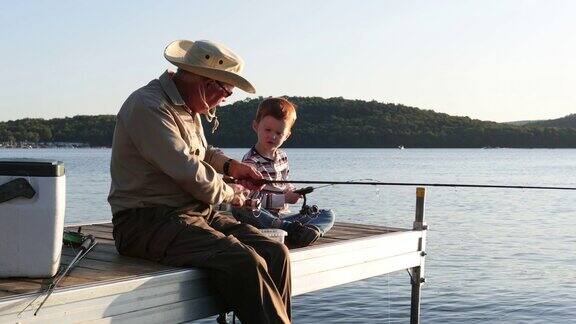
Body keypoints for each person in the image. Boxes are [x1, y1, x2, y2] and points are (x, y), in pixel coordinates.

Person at [108, 39, 291, 324]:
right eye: (226, 89)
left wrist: (232, 166)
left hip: (192, 215)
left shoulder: (187, 106)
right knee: (245, 261)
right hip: (146, 223)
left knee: (275, 252)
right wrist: (231, 193)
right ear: (205, 82)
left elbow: (203, 153)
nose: (227, 97)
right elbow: (187, 168)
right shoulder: (149, 106)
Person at [232, 97, 335, 247]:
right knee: (242, 209)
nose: (272, 136)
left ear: (287, 135)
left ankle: (310, 231)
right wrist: (284, 199)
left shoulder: (282, 157)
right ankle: (290, 230)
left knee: (327, 214)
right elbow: (250, 197)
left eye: (279, 133)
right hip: (262, 216)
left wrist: (295, 192)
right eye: (268, 130)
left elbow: (286, 184)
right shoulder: (251, 162)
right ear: (256, 126)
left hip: (283, 218)